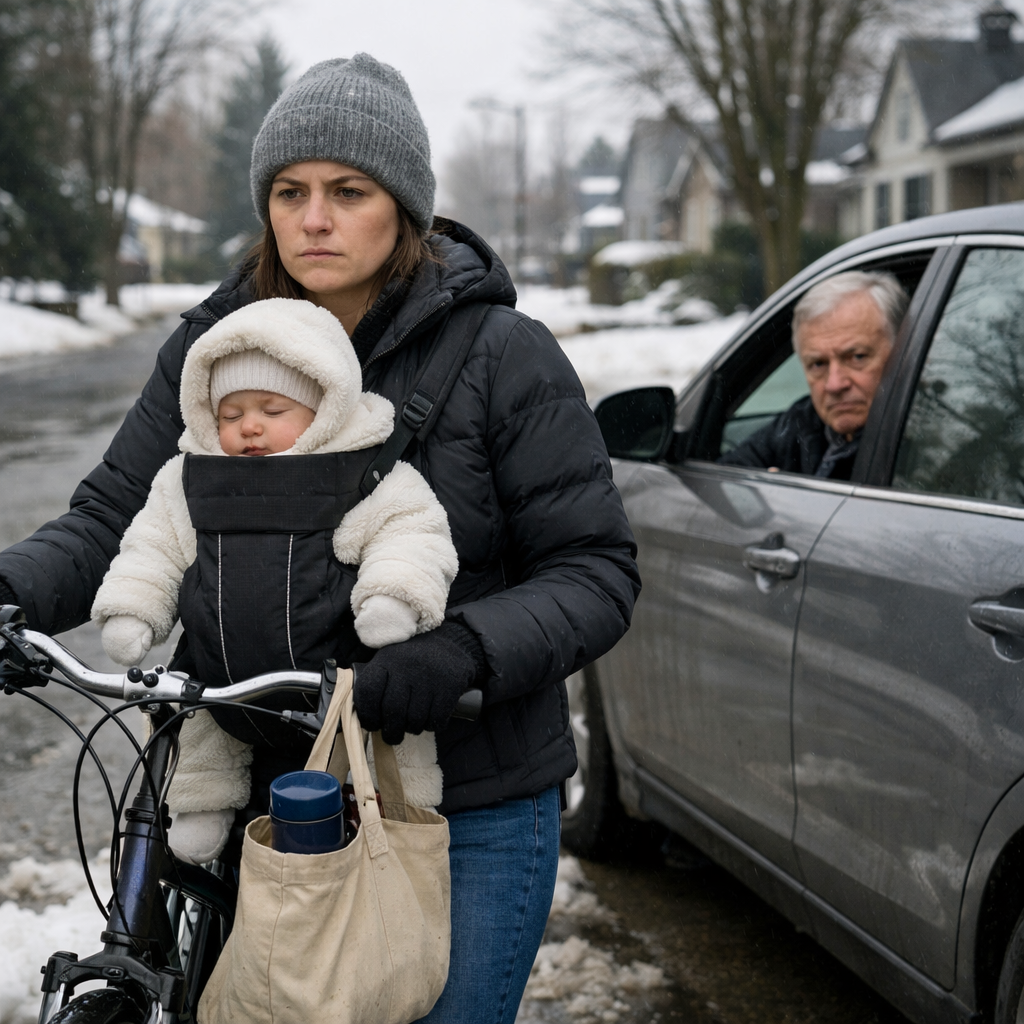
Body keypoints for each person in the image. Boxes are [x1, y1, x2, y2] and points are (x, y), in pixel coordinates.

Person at [0, 53, 640, 1022]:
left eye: (349, 190)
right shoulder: (214, 348)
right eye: (289, 192)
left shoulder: (503, 355)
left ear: (405, 209)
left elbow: (594, 570)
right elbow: (115, 515)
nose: (313, 217)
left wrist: (461, 652)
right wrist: (11, 588)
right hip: (262, 791)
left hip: (461, 799)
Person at [90, 296, 456, 864]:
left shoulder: (365, 474)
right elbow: (152, 545)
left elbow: (411, 531)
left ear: (323, 408)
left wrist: (394, 594)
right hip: (221, 673)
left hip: (339, 676)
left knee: (387, 733)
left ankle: (402, 818)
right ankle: (199, 805)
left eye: (271, 409)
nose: (249, 427)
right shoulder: (187, 481)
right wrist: (135, 608)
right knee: (194, 721)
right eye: (230, 415)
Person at [719, 270, 908, 479]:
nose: (834, 384)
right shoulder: (802, 424)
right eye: (818, 364)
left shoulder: (927, 441)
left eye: (857, 357)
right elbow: (724, 478)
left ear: (905, 352)